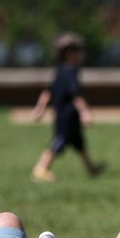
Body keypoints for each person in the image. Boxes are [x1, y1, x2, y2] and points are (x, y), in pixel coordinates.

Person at [31, 32, 105, 183]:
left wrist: (40, 109)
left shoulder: (61, 71)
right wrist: (85, 112)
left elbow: (47, 92)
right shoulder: (70, 72)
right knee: (59, 142)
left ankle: (91, 168)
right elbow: (76, 95)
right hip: (67, 116)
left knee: (79, 143)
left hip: (67, 115)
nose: (81, 55)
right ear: (71, 53)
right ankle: (41, 168)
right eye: (79, 52)